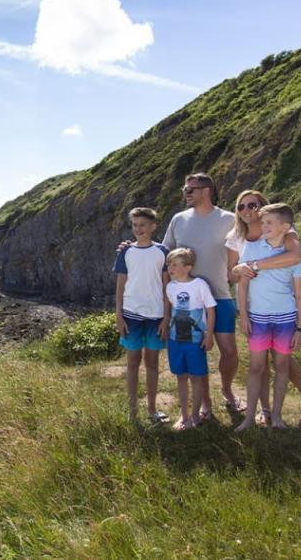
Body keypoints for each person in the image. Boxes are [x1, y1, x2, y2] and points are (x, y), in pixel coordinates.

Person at [226, 190, 301, 421]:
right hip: (254, 307)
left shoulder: (283, 231)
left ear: (262, 207)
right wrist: (238, 270)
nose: (246, 211)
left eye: (252, 205)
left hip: (281, 309)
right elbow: (231, 274)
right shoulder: (236, 236)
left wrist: (255, 265)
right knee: (258, 364)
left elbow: (296, 256)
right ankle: (264, 409)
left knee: (282, 359)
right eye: (241, 207)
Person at [158, 173, 241, 418]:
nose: (185, 193)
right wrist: (131, 248)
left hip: (221, 296)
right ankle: (205, 403)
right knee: (198, 353)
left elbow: (246, 247)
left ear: (207, 190)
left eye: (190, 189)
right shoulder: (178, 219)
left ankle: (227, 391)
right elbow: (164, 253)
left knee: (229, 351)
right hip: (187, 305)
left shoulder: (229, 219)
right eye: (185, 189)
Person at [235, 203, 301, 431]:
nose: (263, 226)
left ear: (285, 227)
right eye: (263, 222)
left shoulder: (294, 256)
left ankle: (276, 416)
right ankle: (249, 418)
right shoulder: (252, 249)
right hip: (257, 318)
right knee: (256, 367)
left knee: (282, 366)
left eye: (269, 223)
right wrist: (243, 316)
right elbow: (242, 287)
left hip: (286, 319)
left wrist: (300, 328)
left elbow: (300, 294)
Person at [113, 207, 170, 425]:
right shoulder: (126, 252)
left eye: (143, 225)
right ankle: (132, 410)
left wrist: (166, 317)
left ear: (153, 226)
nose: (138, 229)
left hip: (156, 315)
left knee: (152, 363)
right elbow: (120, 284)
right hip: (131, 314)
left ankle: (152, 409)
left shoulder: (163, 251)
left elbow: (167, 286)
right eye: (135, 225)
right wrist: (118, 314)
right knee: (132, 362)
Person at [163, 248, 215, 430]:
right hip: (175, 340)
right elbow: (172, 311)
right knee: (181, 377)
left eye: (175, 264)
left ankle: (195, 416)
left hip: (195, 341)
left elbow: (210, 310)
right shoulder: (170, 287)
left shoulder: (199, 284)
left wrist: (209, 335)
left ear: (188, 267)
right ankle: (184, 416)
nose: (171, 267)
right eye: (169, 264)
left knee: (196, 378)